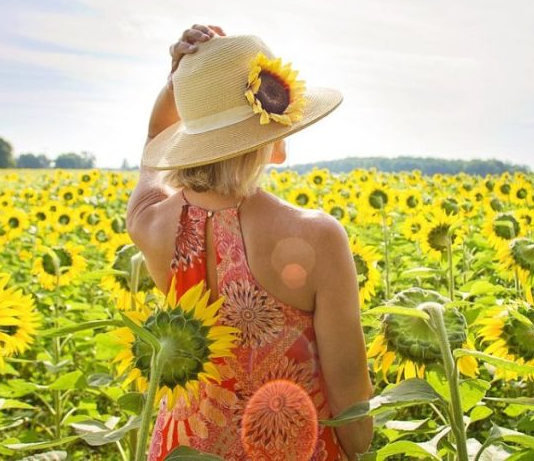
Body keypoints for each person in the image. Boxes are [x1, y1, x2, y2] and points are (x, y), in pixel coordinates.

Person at [125, 25, 373, 460]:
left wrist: (176, 85)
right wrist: (358, 451)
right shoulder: (316, 236)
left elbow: (151, 146)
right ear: (271, 135)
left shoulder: (150, 221)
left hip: (182, 447)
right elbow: (349, 390)